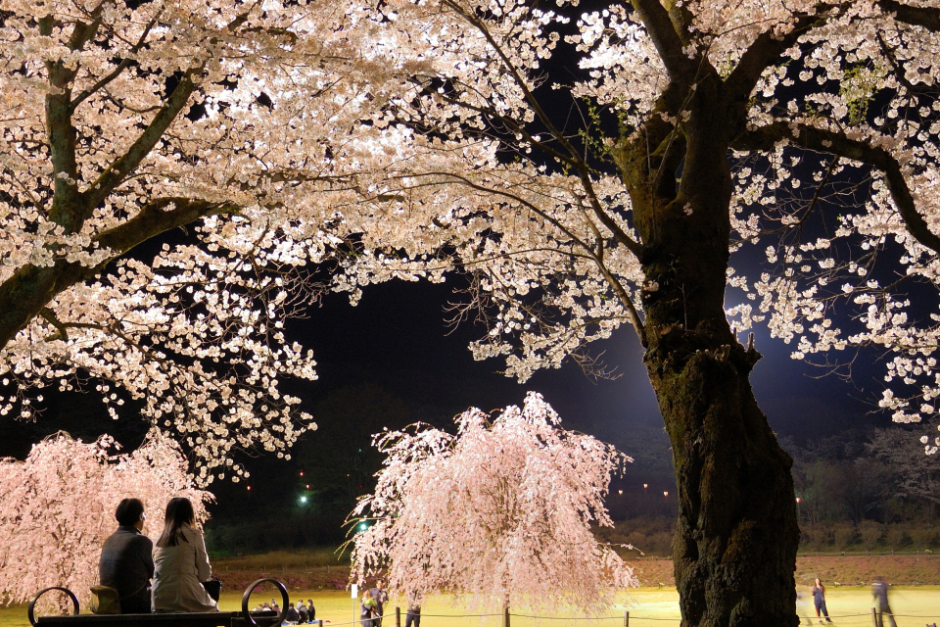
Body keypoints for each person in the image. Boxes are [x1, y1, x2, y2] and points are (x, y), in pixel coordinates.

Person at [151, 497, 218, 612]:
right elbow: (205, 573)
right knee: (212, 609)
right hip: (184, 591)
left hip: (159, 596)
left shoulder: (157, 539)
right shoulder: (194, 535)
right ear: (189, 514)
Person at [98, 498, 154, 613]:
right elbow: (157, 574)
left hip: (109, 603)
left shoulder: (110, 540)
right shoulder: (140, 541)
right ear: (140, 517)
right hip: (133, 603)